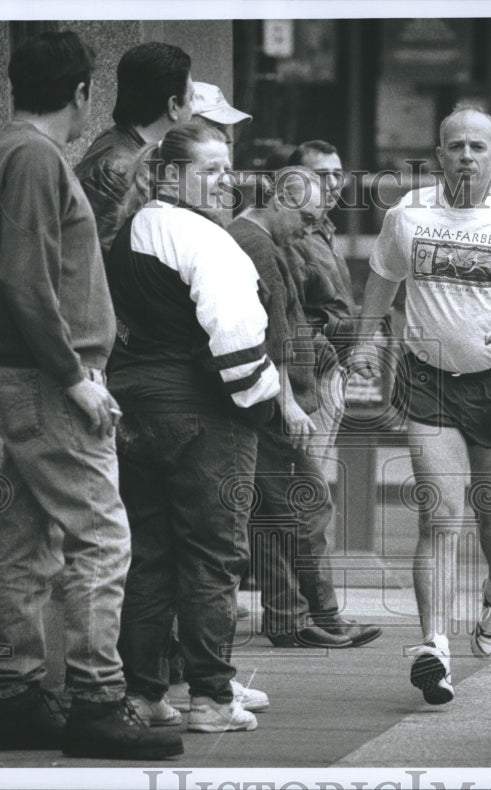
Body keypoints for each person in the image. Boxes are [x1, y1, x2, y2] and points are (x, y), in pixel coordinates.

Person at [0, 31, 182, 759]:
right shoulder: (31, 156)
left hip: (31, 375)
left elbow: (25, 279)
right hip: (50, 379)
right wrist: (76, 378)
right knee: (102, 535)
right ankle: (96, 701)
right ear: (82, 94)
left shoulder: (11, 152)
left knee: (32, 542)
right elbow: (26, 281)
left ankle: (17, 698)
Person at [349, 105, 491, 703]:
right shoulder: (410, 213)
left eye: (479, 146)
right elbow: (382, 277)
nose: (467, 156)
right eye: (456, 146)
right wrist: (364, 340)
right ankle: (435, 649)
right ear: (440, 152)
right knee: (440, 514)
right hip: (429, 381)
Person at [107, 119, 278, 734]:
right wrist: (262, 400)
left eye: (227, 168)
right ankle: (209, 698)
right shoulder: (206, 240)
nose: (224, 179)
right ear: (171, 175)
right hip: (205, 416)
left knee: (148, 556)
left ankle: (144, 694)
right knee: (212, 560)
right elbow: (234, 336)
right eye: (209, 168)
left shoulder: (131, 231)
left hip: (135, 412)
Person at [229, 167, 383, 649]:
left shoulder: (258, 240)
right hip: (277, 400)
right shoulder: (255, 245)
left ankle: (290, 618)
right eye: (307, 217)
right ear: (278, 199)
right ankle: (323, 617)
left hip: (273, 395)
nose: (310, 228)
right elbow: (267, 333)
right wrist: (289, 402)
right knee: (308, 502)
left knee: (276, 513)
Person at [75, 42, 251, 260]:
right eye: (192, 97)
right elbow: (110, 265)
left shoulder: (122, 144)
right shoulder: (121, 168)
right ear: (174, 105)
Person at [285, 140, 358, 448]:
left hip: (329, 373)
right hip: (306, 379)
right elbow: (285, 309)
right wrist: (324, 345)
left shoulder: (324, 227)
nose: (330, 184)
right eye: (320, 174)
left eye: (336, 175)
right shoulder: (293, 233)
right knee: (304, 482)